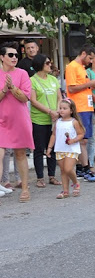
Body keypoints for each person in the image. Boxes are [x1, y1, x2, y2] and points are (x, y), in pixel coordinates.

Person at [0, 43, 33, 202]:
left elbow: (24, 98)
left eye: (16, 55)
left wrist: (12, 87)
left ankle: (25, 188)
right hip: (1, 120)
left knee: (20, 153)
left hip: (19, 119)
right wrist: (5, 89)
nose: (14, 58)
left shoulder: (22, 74)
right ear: (2, 57)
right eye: (10, 55)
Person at [65, 43, 95, 182]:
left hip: (86, 106)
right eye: (90, 58)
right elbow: (72, 88)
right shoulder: (72, 67)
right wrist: (89, 84)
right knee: (82, 139)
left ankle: (81, 167)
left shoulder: (81, 67)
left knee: (84, 139)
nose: (91, 61)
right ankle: (85, 168)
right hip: (79, 107)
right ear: (84, 54)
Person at [29, 54, 62, 188]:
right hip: (39, 119)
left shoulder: (53, 79)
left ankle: (52, 176)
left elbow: (60, 97)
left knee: (53, 148)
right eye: (47, 63)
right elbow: (33, 100)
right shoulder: (32, 80)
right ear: (40, 65)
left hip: (54, 119)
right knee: (39, 149)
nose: (50, 65)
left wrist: (58, 111)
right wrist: (49, 111)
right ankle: (40, 177)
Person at [46, 99, 84, 199]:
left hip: (72, 149)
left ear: (71, 110)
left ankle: (76, 182)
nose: (62, 110)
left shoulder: (74, 122)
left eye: (65, 108)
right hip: (60, 149)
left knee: (68, 169)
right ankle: (65, 191)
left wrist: (74, 140)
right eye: (60, 108)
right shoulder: (58, 122)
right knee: (63, 170)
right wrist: (49, 147)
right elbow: (53, 135)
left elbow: (81, 134)